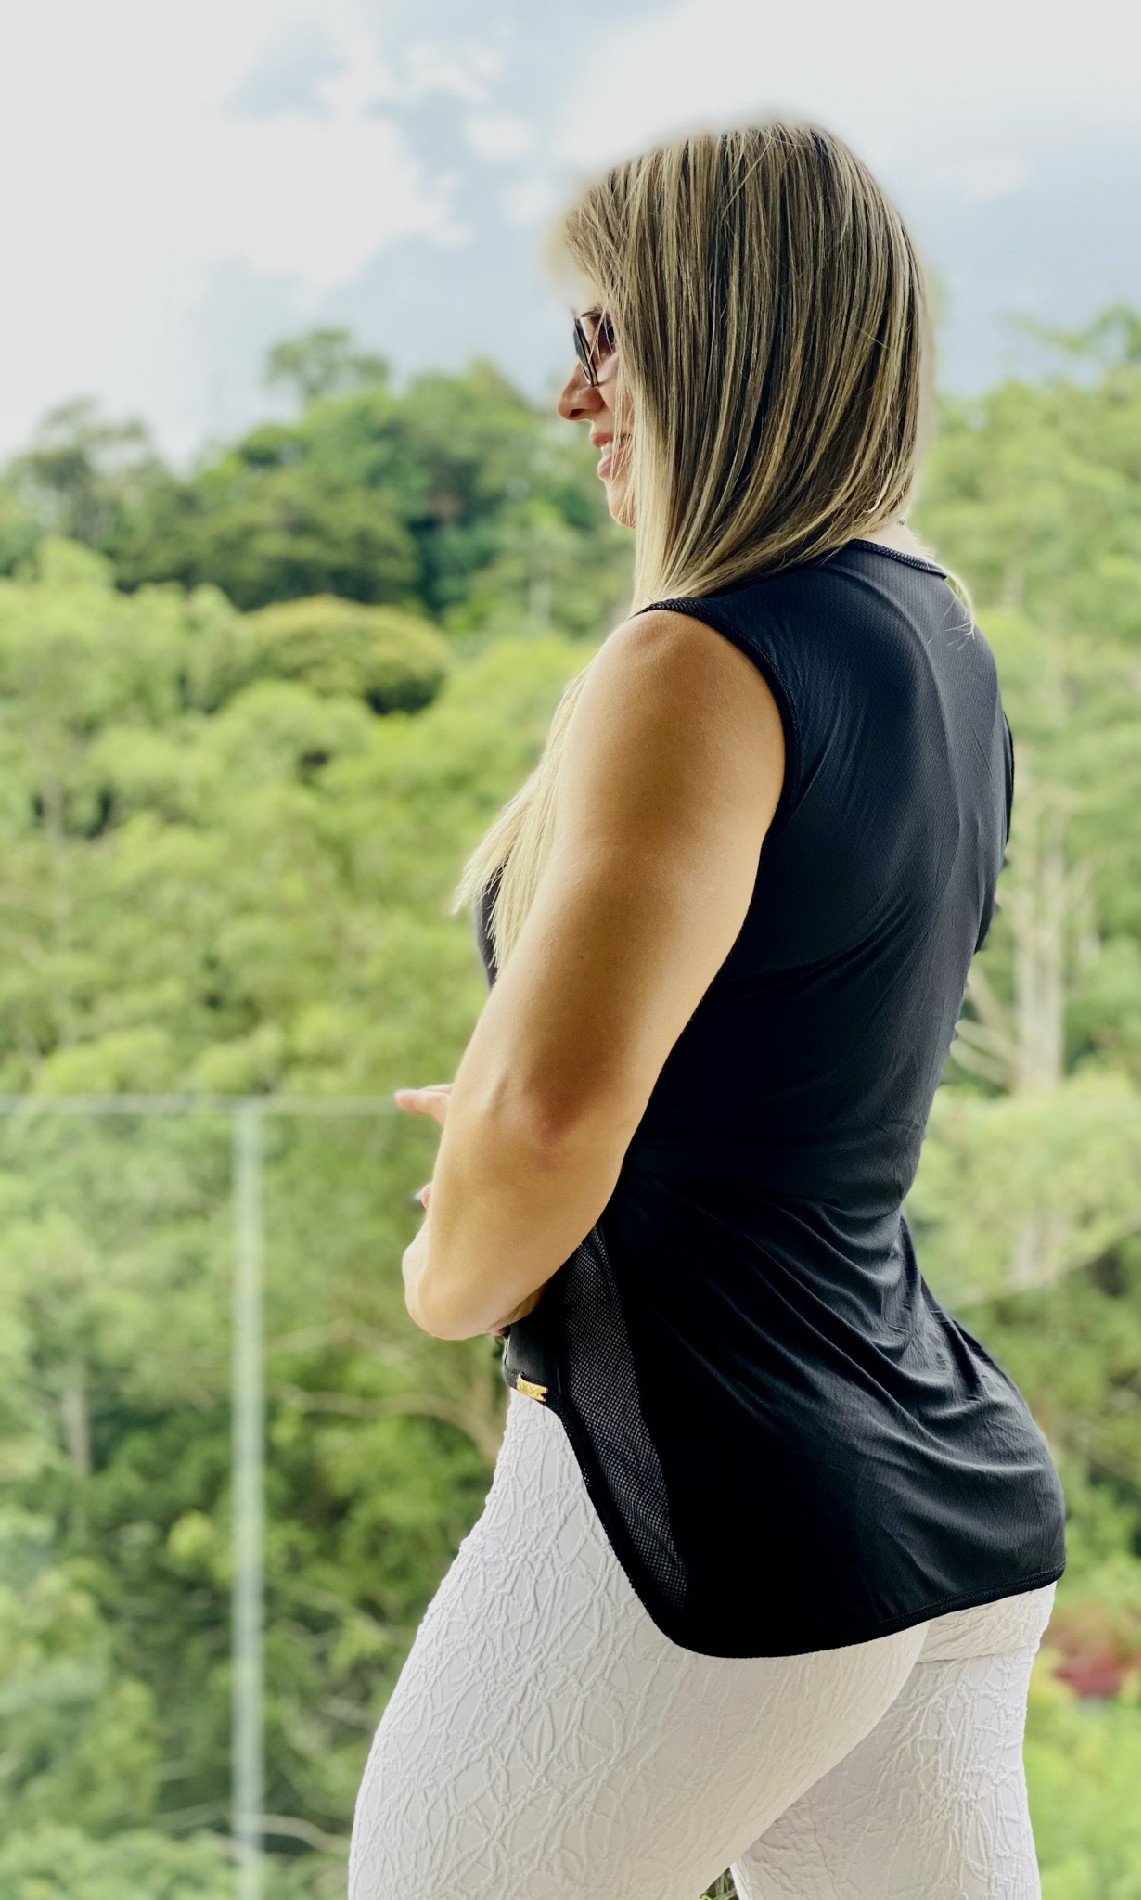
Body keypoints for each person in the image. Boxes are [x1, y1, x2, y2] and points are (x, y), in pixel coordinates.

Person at [349, 117, 1067, 1900]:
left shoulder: (693, 659)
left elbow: (546, 1127)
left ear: (719, 338)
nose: (575, 396)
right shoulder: (934, 640)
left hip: (704, 1512)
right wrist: (554, 1135)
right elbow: (784, 1051)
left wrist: (450, 1261)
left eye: (602, 336)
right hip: (931, 1509)